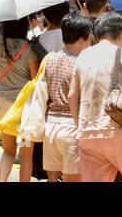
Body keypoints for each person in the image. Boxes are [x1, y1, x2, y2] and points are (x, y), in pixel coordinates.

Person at [70, 12, 122, 182]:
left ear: (97, 35)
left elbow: (72, 95)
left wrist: (81, 126)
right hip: (120, 131)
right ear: (121, 34)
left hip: (88, 133)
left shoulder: (83, 57)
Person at [38, 12, 93, 182]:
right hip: (72, 128)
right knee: (74, 178)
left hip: (50, 127)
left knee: (52, 178)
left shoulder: (50, 59)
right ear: (83, 38)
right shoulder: (83, 63)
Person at [0, 16, 40, 182]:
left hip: (3, 102)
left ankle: (1, 180)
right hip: (24, 107)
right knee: (25, 154)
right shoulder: (28, 49)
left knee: (8, 151)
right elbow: (35, 79)